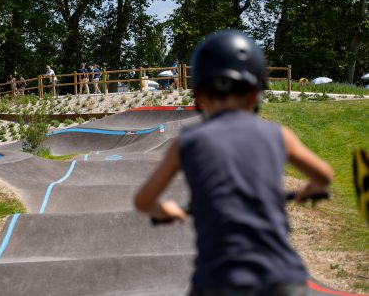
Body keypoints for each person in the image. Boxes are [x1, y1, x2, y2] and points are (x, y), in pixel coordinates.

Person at [134, 30, 333, 296]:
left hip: (219, 281)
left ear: (200, 96)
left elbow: (143, 201)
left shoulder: (187, 143)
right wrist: (311, 187)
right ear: (254, 95)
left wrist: (164, 209)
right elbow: (324, 175)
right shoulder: (278, 136)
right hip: (282, 280)